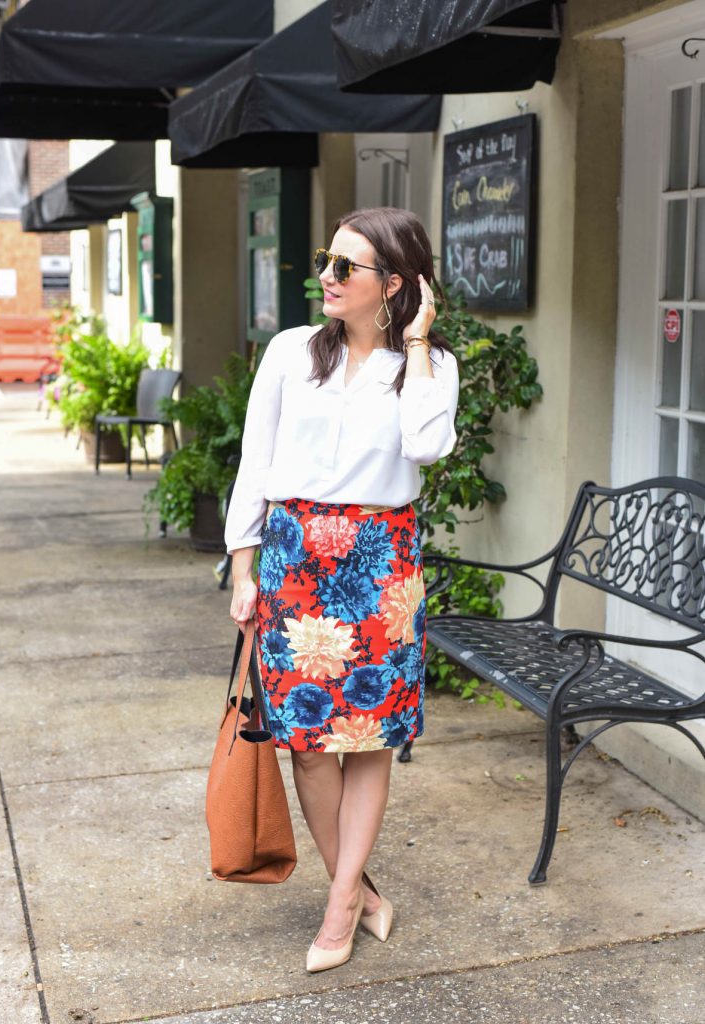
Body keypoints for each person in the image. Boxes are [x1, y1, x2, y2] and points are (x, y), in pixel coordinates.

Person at [224, 206, 459, 973]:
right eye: (327, 259)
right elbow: (254, 461)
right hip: (294, 558)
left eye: (344, 267)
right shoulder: (293, 351)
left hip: (379, 563)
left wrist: (418, 342)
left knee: (368, 742)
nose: (324, 276)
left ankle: (339, 905)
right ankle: (355, 888)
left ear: (393, 285)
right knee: (307, 742)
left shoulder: (429, 368)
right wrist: (242, 566)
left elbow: (425, 447)